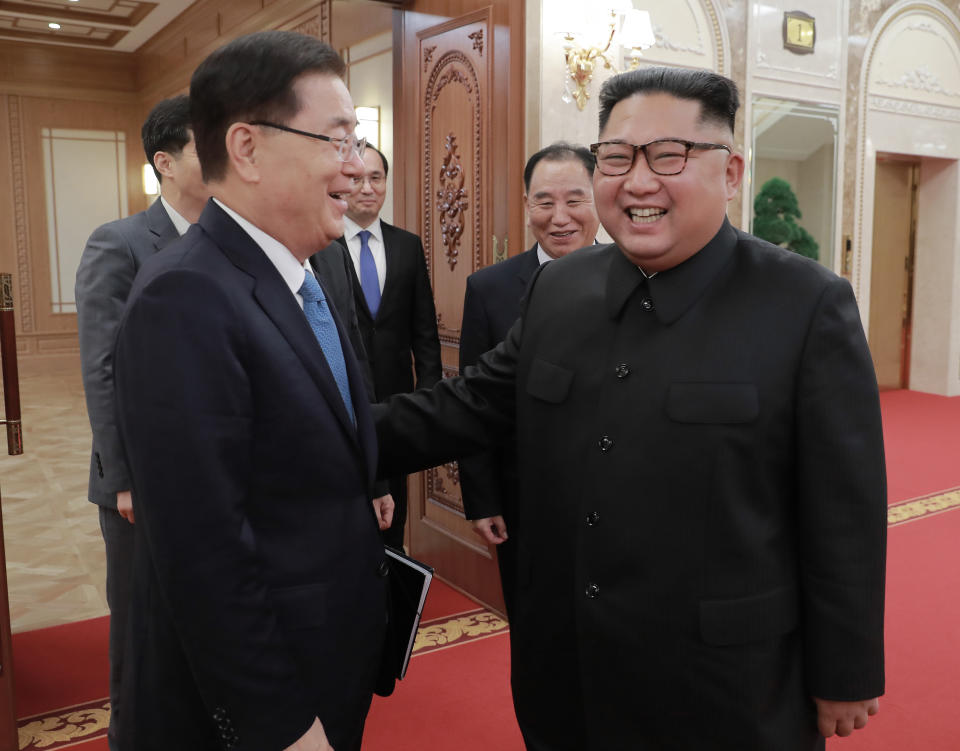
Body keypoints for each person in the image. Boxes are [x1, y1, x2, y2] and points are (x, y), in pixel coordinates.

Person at [374, 66, 886, 750]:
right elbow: (468, 405)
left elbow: (844, 511)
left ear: (730, 172)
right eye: (615, 158)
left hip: (723, 685)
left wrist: (846, 668)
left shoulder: (806, 305)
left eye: (668, 156)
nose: (638, 181)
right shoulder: (559, 289)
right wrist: (317, 435)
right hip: (566, 666)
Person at [112, 31, 394, 751]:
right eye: (338, 140)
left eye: (357, 142)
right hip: (259, 704)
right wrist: (281, 727)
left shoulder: (299, 273)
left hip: (323, 650)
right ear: (246, 147)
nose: (358, 166)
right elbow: (205, 553)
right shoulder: (187, 295)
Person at [75, 94, 209, 751]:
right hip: (140, 487)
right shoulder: (121, 242)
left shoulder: (231, 240)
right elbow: (103, 370)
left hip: (212, 476)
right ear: (166, 162)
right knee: (137, 633)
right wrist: (125, 477)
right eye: (203, 141)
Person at [458, 141, 600, 616]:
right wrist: (482, 498)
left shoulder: (640, 276)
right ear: (526, 207)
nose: (560, 217)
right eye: (545, 202)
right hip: (525, 500)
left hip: (615, 500)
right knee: (535, 626)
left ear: (598, 198)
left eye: (575, 200)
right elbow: (473, 403)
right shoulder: (488, 289)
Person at [330, 144, 441, 549]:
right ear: (341, 184)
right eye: (357, 179)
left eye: (376, 178)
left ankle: (392, 601)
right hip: (343, 402)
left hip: (396, 405)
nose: (367, 188)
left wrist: (429, 399)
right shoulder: (323, 247)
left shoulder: (407, 246)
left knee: (393, 517)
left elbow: (424, 332)